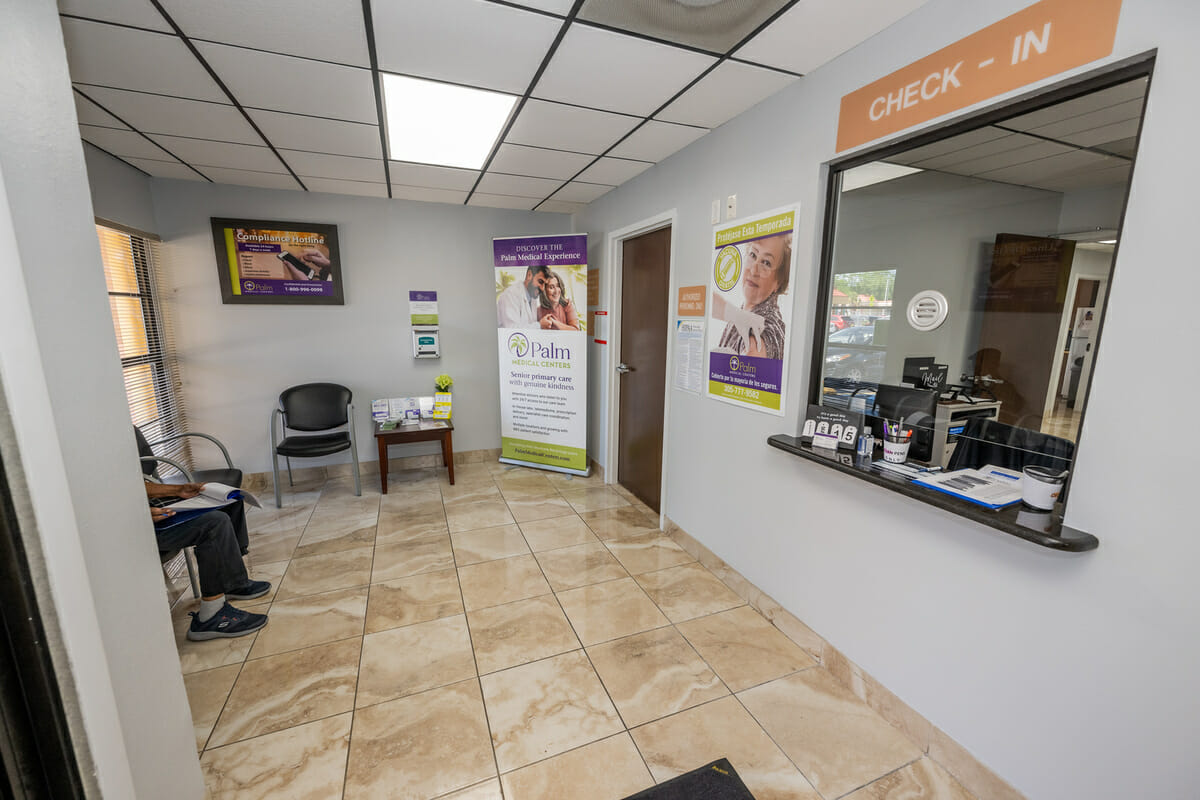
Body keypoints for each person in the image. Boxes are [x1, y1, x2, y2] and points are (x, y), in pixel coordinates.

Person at [148, 481, 269, 641]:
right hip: (138, 526)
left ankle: (233, 583)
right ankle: (211, 616)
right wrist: (142, 513)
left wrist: (178, 489)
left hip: (149, 509)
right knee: (214, 523)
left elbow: (133, 485)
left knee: (230, 502)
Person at [716, 233, 792, 359]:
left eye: (766, 263)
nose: (753, 270)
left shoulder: (767, 327)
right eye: (753, 255)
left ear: (778, 281)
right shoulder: (741, 314)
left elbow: (753, 353)